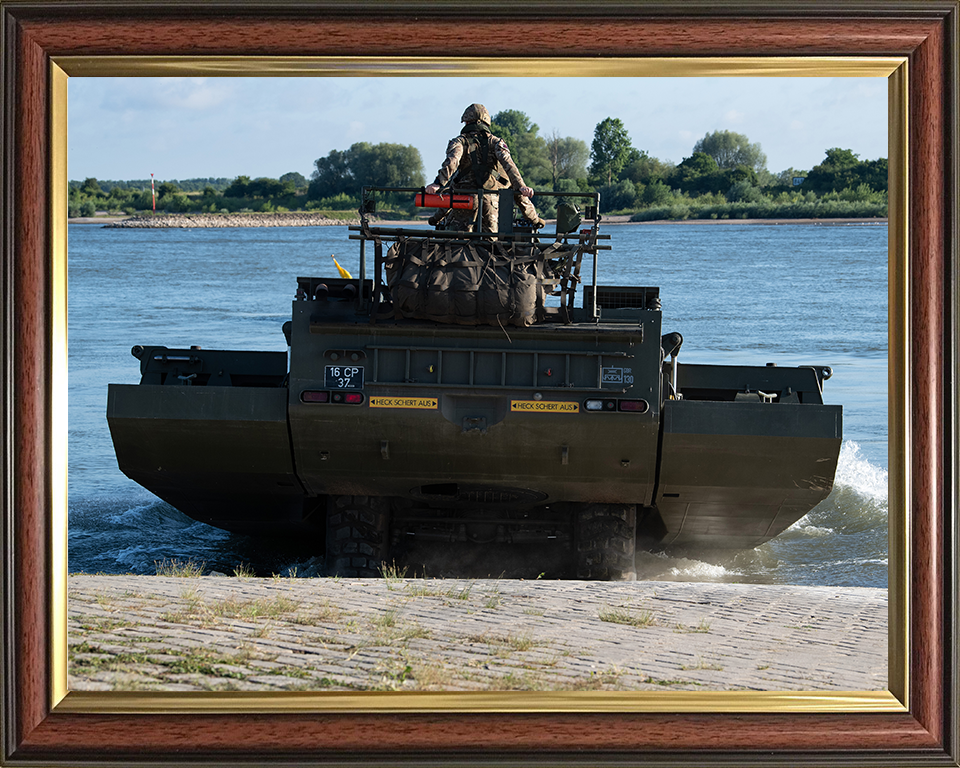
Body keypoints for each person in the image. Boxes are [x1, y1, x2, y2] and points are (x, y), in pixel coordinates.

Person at [425, 103, 546, 233]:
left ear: (466, 122)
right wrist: (521, 186)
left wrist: (438, 183)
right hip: (490, 200)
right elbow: (508, 164)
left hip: (463, 200)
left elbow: (452, 161)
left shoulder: (459, 142)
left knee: (458, 243)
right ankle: (535, 219)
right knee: (490, 244)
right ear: (487, 122)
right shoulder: (496, 142)